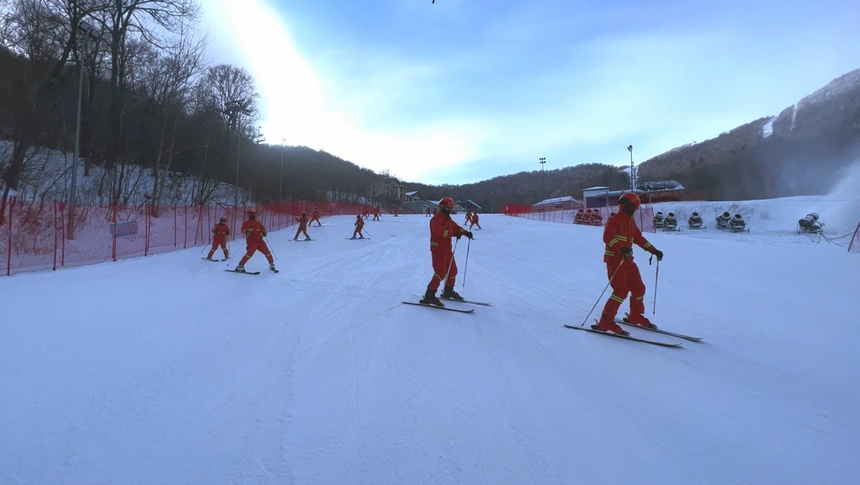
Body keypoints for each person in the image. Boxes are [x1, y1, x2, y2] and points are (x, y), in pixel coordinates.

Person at [592, 192, 664, 335]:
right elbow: (607, 237)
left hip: (628, 261)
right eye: (633, 206)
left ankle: (634, 316)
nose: (635, 209)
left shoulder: (630, 221)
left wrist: (653, 250)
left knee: (639, 289)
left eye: (637, 206)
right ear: (624, 205)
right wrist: (621, 247)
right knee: (620, 291)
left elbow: (638, 238)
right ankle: (605, 322)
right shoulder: (614, 220)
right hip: (615, 262)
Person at [420, 197, 473, 306]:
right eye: (448, 207)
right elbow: (441, 233)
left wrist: (465, 232)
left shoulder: (447, 219)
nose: (450, 209)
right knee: (440, 272)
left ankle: (448, 291)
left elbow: (456, 227)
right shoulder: (435, 220)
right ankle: (429, 295)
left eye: (451, 207)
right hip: (438, 250)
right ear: (442, 207)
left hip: (447, 249)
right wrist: (453, 234)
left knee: (452, 271)